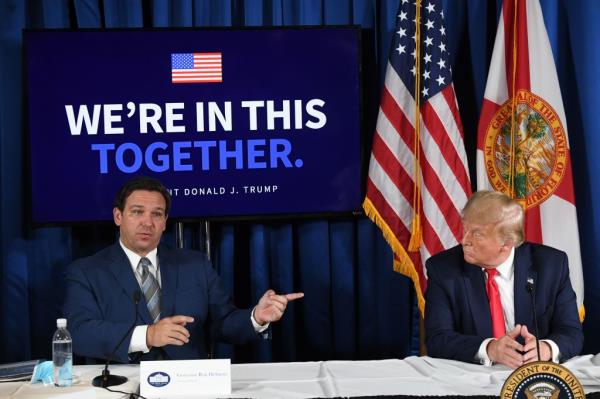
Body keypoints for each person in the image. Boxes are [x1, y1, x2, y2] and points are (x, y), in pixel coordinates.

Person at [63, 177, 303, 363]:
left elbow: (223, 322)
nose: (148, 222)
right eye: (137, 212)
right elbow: (78, 332)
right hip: (122, 385)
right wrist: (147, 335)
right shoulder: (86, 271)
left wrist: (256, 317)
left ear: (165, 222)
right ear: (118, 216)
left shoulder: (195, 264)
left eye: (157, 214)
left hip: (189, 384)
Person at [424, 190, 582, 368]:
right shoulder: (443, 269)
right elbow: (437, 339)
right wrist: (491, 349)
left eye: (477, 234)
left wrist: (546, 348)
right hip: (473, 378)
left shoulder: (551, 265)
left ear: (507, 244)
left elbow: (571, 333)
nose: (464, 241)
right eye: (465, 229)